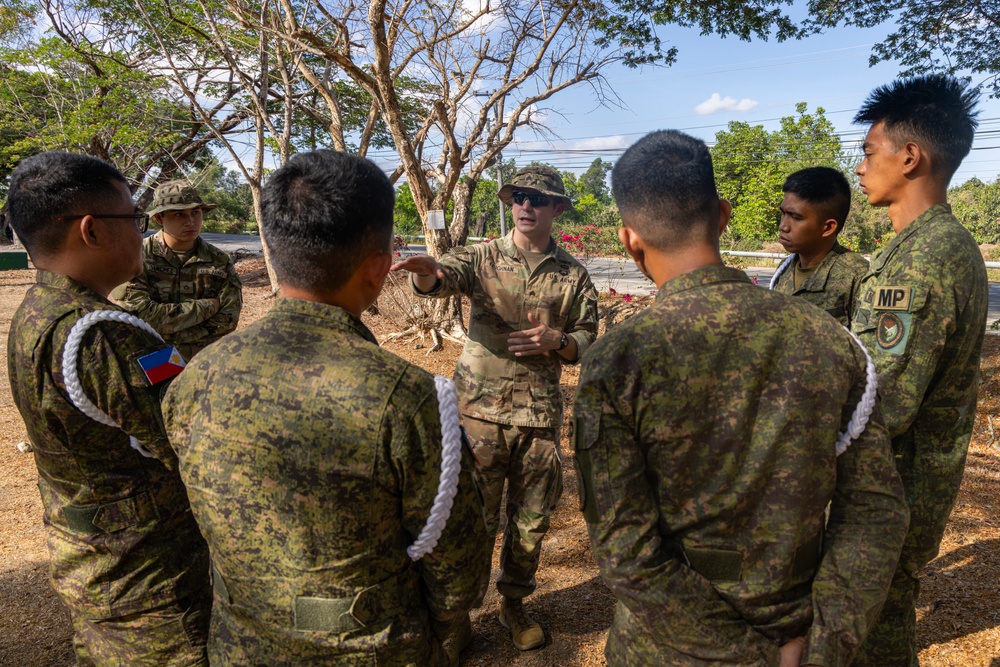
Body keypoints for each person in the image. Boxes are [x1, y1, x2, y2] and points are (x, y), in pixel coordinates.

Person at [572, 130, 909, 666]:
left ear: (629, 240)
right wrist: (822, 647)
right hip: (798, 630)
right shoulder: (830, 341)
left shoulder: (616, 361)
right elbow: (875, 514)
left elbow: (625, 553)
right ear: (724, 214)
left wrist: (748, 657)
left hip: (669, 647)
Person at [161, 150, 489, 666]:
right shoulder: (408, 395)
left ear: (273, 245)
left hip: (238, 646)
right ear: (380, 269)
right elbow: (458, 569)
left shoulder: (195, 376)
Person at [6, 151, 211, 666]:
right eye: (135, 220)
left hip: (92, 564)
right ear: (92, 231)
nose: (141, 234)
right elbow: (194, 444)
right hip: (151, 580)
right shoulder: (111, 334)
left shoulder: (35, 313)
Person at [391, 165, 599, 652]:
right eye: (520, 196)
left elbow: (590, 338)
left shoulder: (572, 273)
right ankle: (457, 614)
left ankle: (513, 604)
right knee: (470, 521)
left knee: (531, 522)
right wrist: (427, 275)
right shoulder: (482, 256)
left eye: (538, 199)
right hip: (479, 415)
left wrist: (560, 340)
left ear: (556, 209)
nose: (526, 205)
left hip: (539, 417)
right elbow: (445, 276)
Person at [849, 74, 989, 667]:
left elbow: (883, 401)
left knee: (872, 628)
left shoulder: (927, 257)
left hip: (893, 483)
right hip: (890, 477)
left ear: (910, 157)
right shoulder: (915, 247)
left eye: (867, 151)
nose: (859, 167)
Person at [111, 180, 242, 359]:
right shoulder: (138, 257)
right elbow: (138, 316)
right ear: (159, 218)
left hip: (203, 359)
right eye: (179, 214)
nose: (190, 221)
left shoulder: (218, 260)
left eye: (196, 213)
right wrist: (208, 306)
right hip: (152, 357)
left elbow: (228, 319)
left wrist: (174, 334)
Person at [770, 166, 869, 327]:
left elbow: (865, 347)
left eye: (795, 217)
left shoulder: (857, 276)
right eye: (783, 213)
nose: (783, 226)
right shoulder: (785, 269)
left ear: (828, 227)